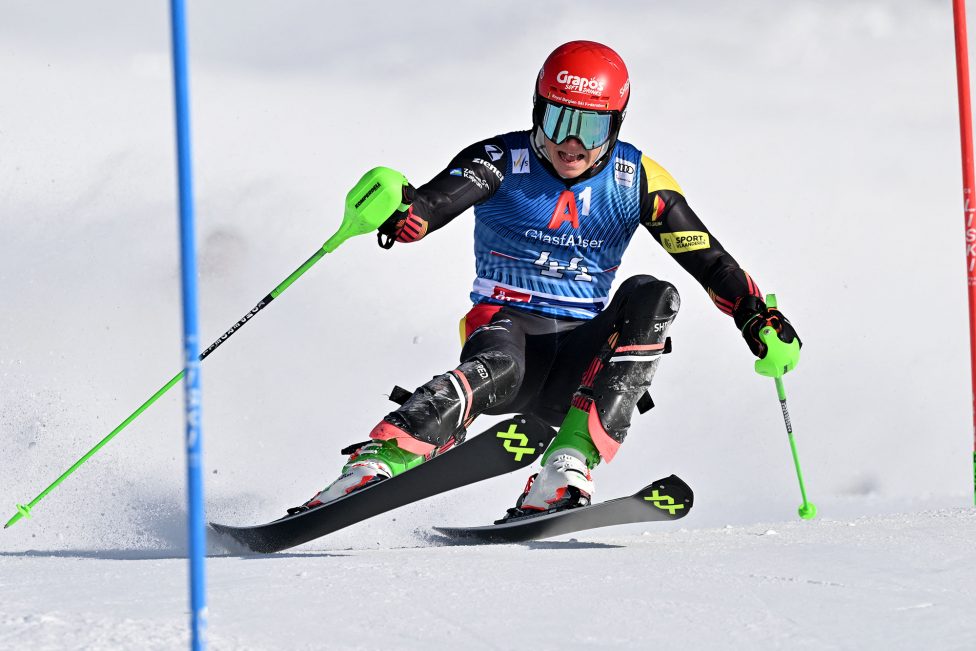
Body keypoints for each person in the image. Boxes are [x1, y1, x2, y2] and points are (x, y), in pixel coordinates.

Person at [294, 40, 800, 520]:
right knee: (502, 366)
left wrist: (756, 315)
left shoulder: (637, 177)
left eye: (591, 128)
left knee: (655, 294)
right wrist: (404, 211)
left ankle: (567, 465)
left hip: (582, 364)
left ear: (615, 126)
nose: (571, 143)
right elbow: (430, 206)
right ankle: (381, 456)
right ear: (538, 111)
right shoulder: (498, 160)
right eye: (559, 119)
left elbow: (708, 259)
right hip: (507, 330)